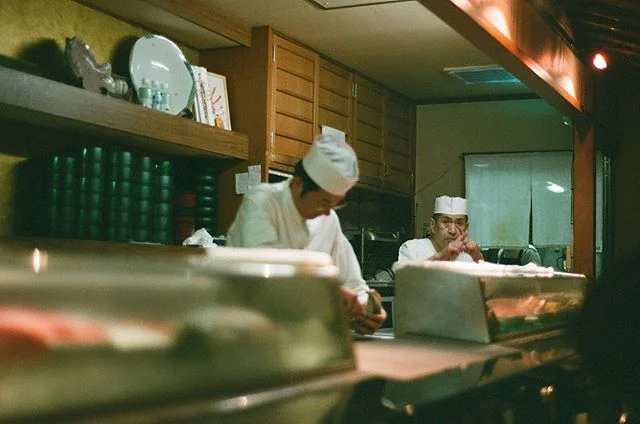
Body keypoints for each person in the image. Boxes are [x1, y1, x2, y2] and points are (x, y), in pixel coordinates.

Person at [226, 134, 386, 335]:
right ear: (299, 183)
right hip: (246, 331)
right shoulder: (262, 202)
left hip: (304, 336)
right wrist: (328, 293)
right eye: (325, 201)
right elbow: (265, 271)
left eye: (336, 203)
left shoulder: (329, 220)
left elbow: (353, 283)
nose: (329, 211)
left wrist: (365, 310)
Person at [397, 195, 483, 262]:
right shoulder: (412, 249)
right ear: (433, 225)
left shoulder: (468, 256)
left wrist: (478, 257)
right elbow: (407, 281)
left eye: (459, 223)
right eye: (445, 222)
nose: (453, 231)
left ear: (466, 227)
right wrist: (442, 255)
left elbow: (488, 283)